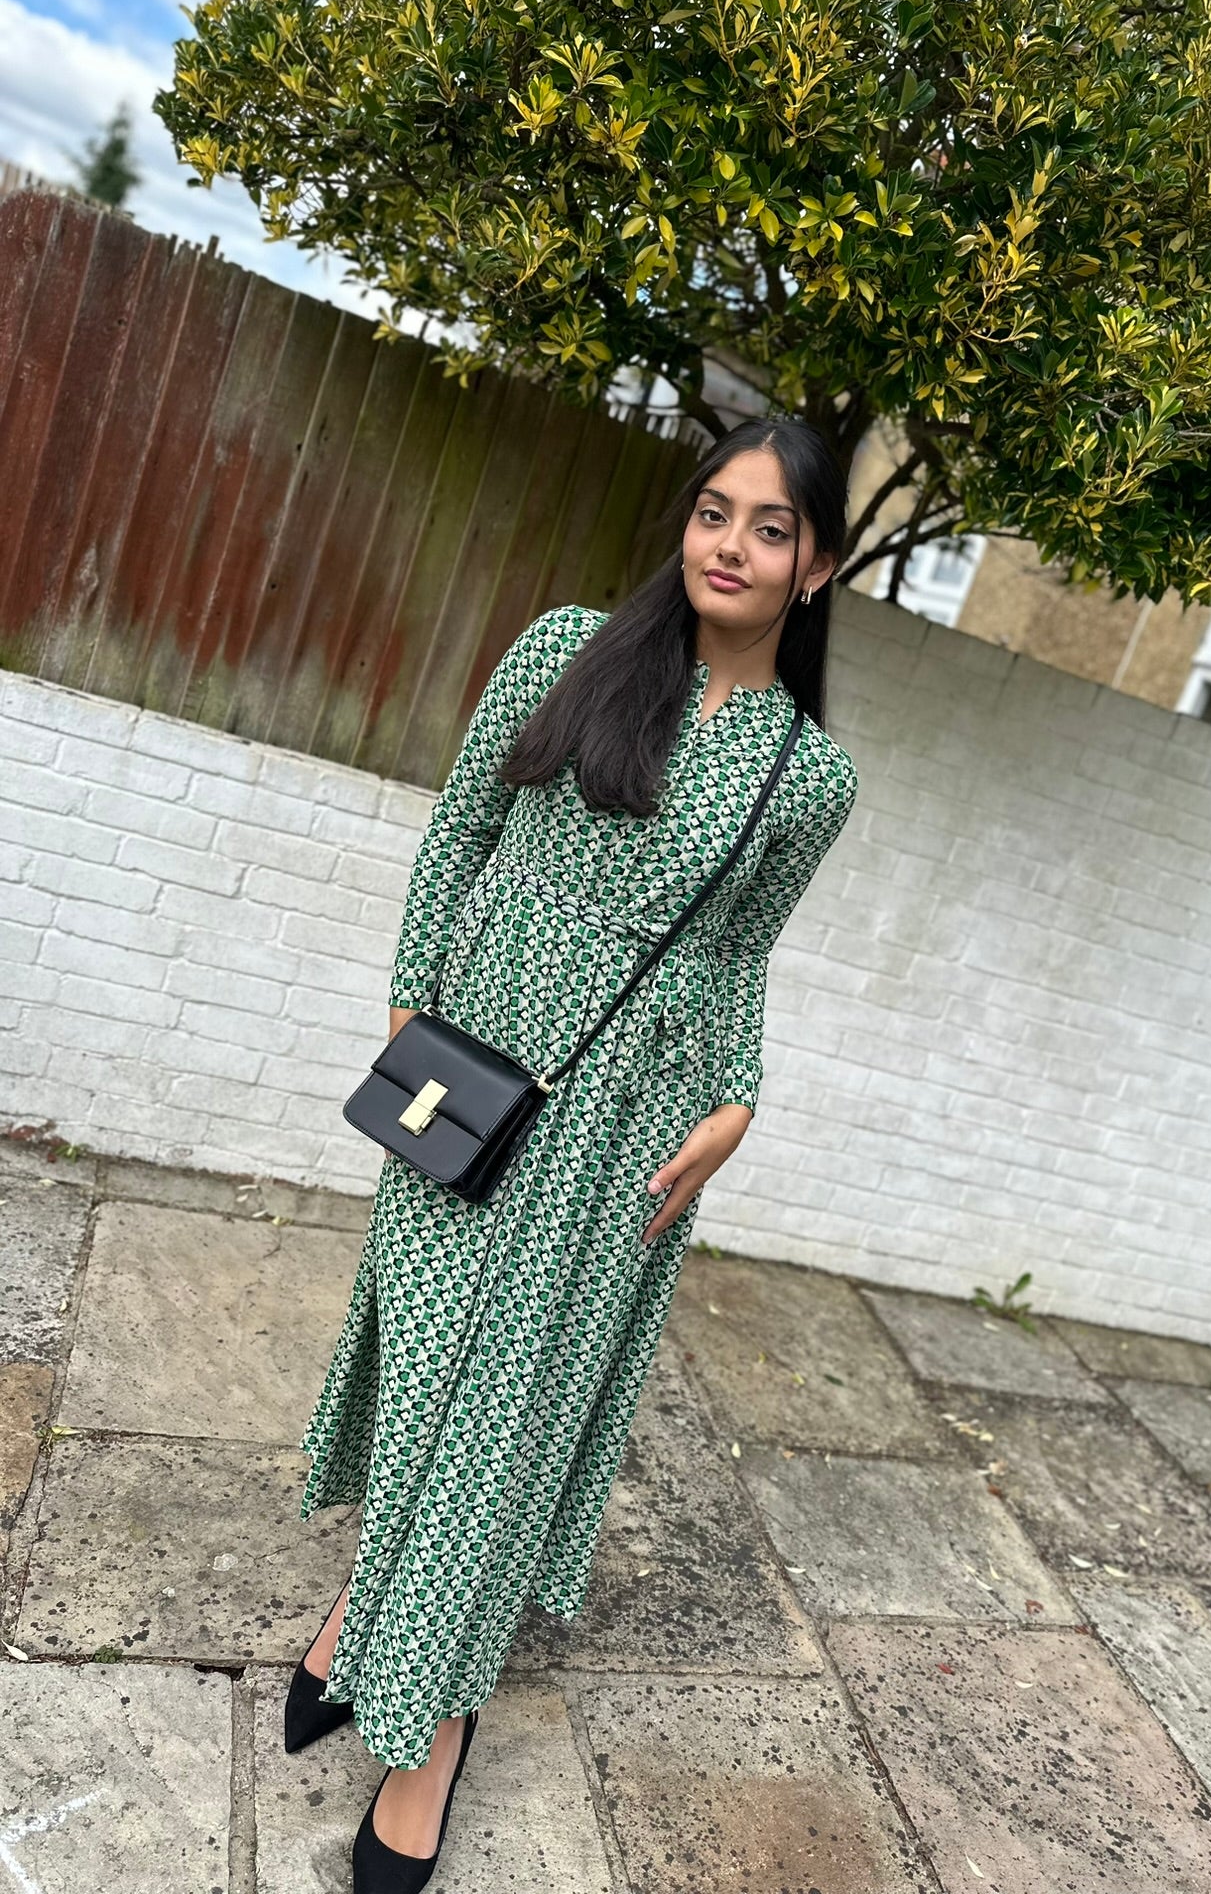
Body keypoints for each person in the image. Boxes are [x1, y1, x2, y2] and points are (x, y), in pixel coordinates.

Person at [284, 414, 861, 1892]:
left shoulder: (809, 781)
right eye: (713, 511)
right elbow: (461, 829)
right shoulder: (565, 650)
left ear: (818, 566)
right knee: (427, 1365)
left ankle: (432, 1740)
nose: (728, 545)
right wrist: (415, 1002)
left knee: (511, 1421)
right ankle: (364, 1613)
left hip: (623, 1132)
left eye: (770, 528)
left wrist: (738, 1105)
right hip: (474, 1075)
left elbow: (740, 967)